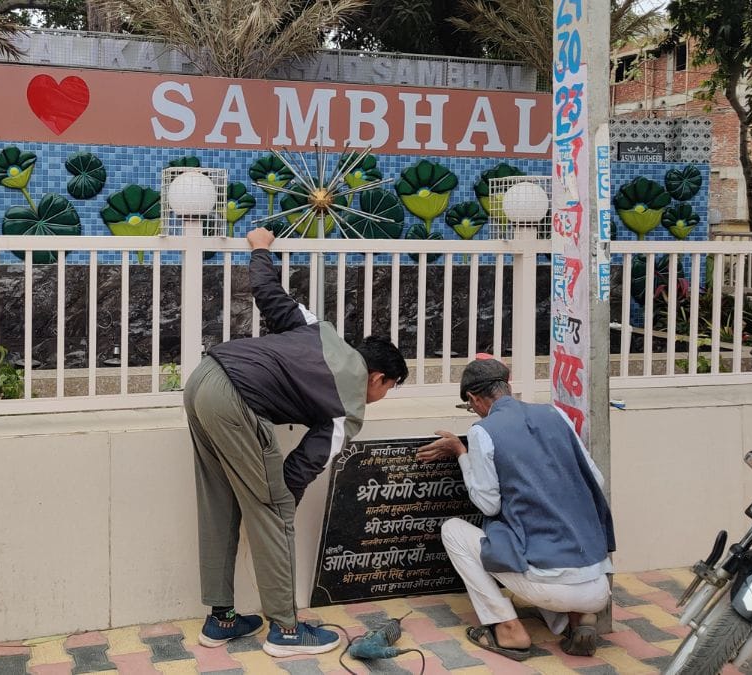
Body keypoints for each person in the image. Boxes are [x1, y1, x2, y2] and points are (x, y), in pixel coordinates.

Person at [186, 227, 409, 657]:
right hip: (236, 400)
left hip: (203, 378)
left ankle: (222, 620)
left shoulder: (319, 330)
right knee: (275, 507)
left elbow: (267, 294)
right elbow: (297, 472)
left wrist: (261, 249)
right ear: (379, 378)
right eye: (390, 388)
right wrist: (270, 510)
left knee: (219, 500)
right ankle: (286, 632)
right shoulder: (350, 408)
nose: (383, 396)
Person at [418, 357, 615, 661]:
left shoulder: (484, 431)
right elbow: (595, 479)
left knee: (453, 531)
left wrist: (461, 452)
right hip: (598, 586)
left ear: (473, 398)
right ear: (507, 386)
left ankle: (507, 628)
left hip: (549, 581)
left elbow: (488, 503)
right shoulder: (555, 414)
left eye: (471, 407)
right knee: (554, 536)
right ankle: (577, 620)